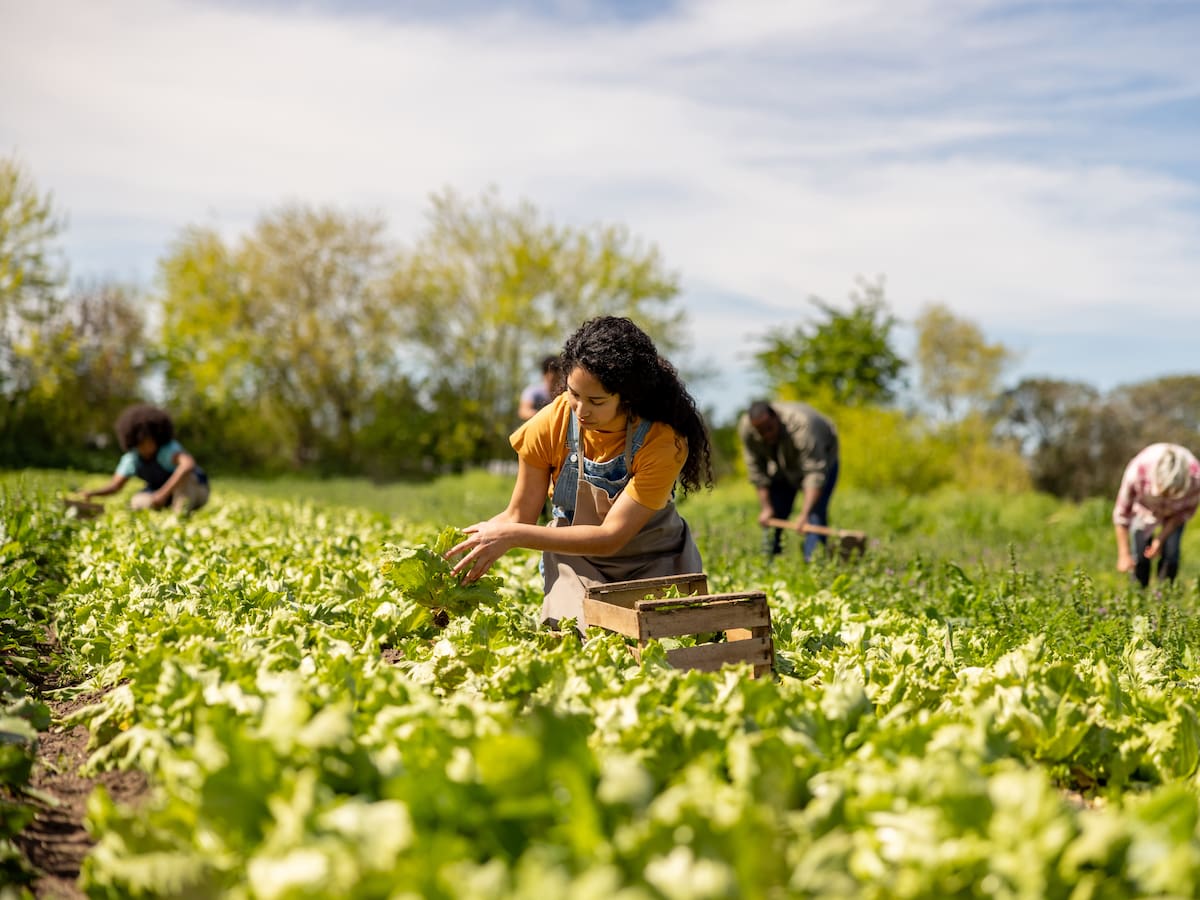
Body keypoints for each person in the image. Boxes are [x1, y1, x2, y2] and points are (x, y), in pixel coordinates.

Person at [447, 316, 713, 630]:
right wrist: (465, 546)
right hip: (577, 560)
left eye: (596, 401)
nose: (581, 410)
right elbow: (519, 514)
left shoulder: (662, 442)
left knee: (659, 640)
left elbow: (611, 537)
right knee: (577, 635)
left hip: (654, 561)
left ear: (628, 398)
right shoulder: (550, 423)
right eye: (574, 394)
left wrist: (513, 536)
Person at [737, 400, 839, 561]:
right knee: (774, 512)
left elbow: (814, 474)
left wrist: (804, 514)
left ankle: (814, 563)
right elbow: (757, 471)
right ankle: (768, 562)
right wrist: (766, 508)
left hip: (821, 461)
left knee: (814, 513)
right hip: (783, 467)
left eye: (769, 428)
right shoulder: (747, 428)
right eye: (761, 431)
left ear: (776, 418)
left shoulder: (803, 426)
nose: (767, 435)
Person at [81, 404, 210, 514]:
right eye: (142, 442)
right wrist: (92, 493)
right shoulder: (132, 459)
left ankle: (179, 515)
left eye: (150, 440)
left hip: (195, 491)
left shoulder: (167, 449)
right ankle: (167, 510)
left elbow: (187, 464)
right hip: (162, 495)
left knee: (185, 479)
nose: (147, 445)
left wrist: (163, 494)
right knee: (137, 502)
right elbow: (115, 486)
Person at [1113, 443, 1200, 587]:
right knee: (1139, 556)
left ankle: (1164, 594)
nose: (1168, 497)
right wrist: (1124, 554)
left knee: (1171, 554)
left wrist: (1161, 538)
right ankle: (1139, 592)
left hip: (1175, 513)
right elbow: (1122, 514)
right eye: (1164, 492)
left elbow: (1183, 514)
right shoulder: (1136, 472)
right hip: (1144, 509)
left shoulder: (1196, 480)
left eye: (1174, 494)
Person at [517, 354, 564, 421]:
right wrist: (545, 417)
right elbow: (523, 411)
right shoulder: (533, 392)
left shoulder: (564, 393)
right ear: (546, 375)